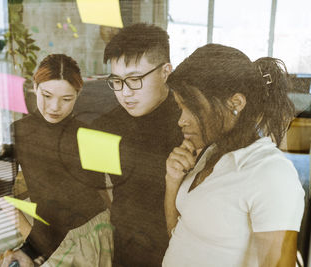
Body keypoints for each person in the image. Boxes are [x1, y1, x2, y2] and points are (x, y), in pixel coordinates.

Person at [163, 44, 305, 266]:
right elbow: (179, 233)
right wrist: (172, 180)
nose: (182, 120)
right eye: (180, 108)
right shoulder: (211, 152)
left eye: (192, 108)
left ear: (235, 103)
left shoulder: (271, 174)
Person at [0, 54, 110, 266]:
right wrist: (32, 240)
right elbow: (0, 192)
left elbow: (102, 193)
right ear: (35, 87)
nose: (55, 107)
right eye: (47, 95)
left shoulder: (89, 134)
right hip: (42, 234)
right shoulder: (16, 132)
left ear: (78, 94)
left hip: (89, 234)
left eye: (66, 99)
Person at [92, 23, 183, 266]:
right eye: (117, 81)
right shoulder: (105, 126)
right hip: (125, 244)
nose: (124, 93)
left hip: (180, 246)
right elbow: (100, 186)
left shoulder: (189, 124)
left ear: (165, 72)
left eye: (134, 79)